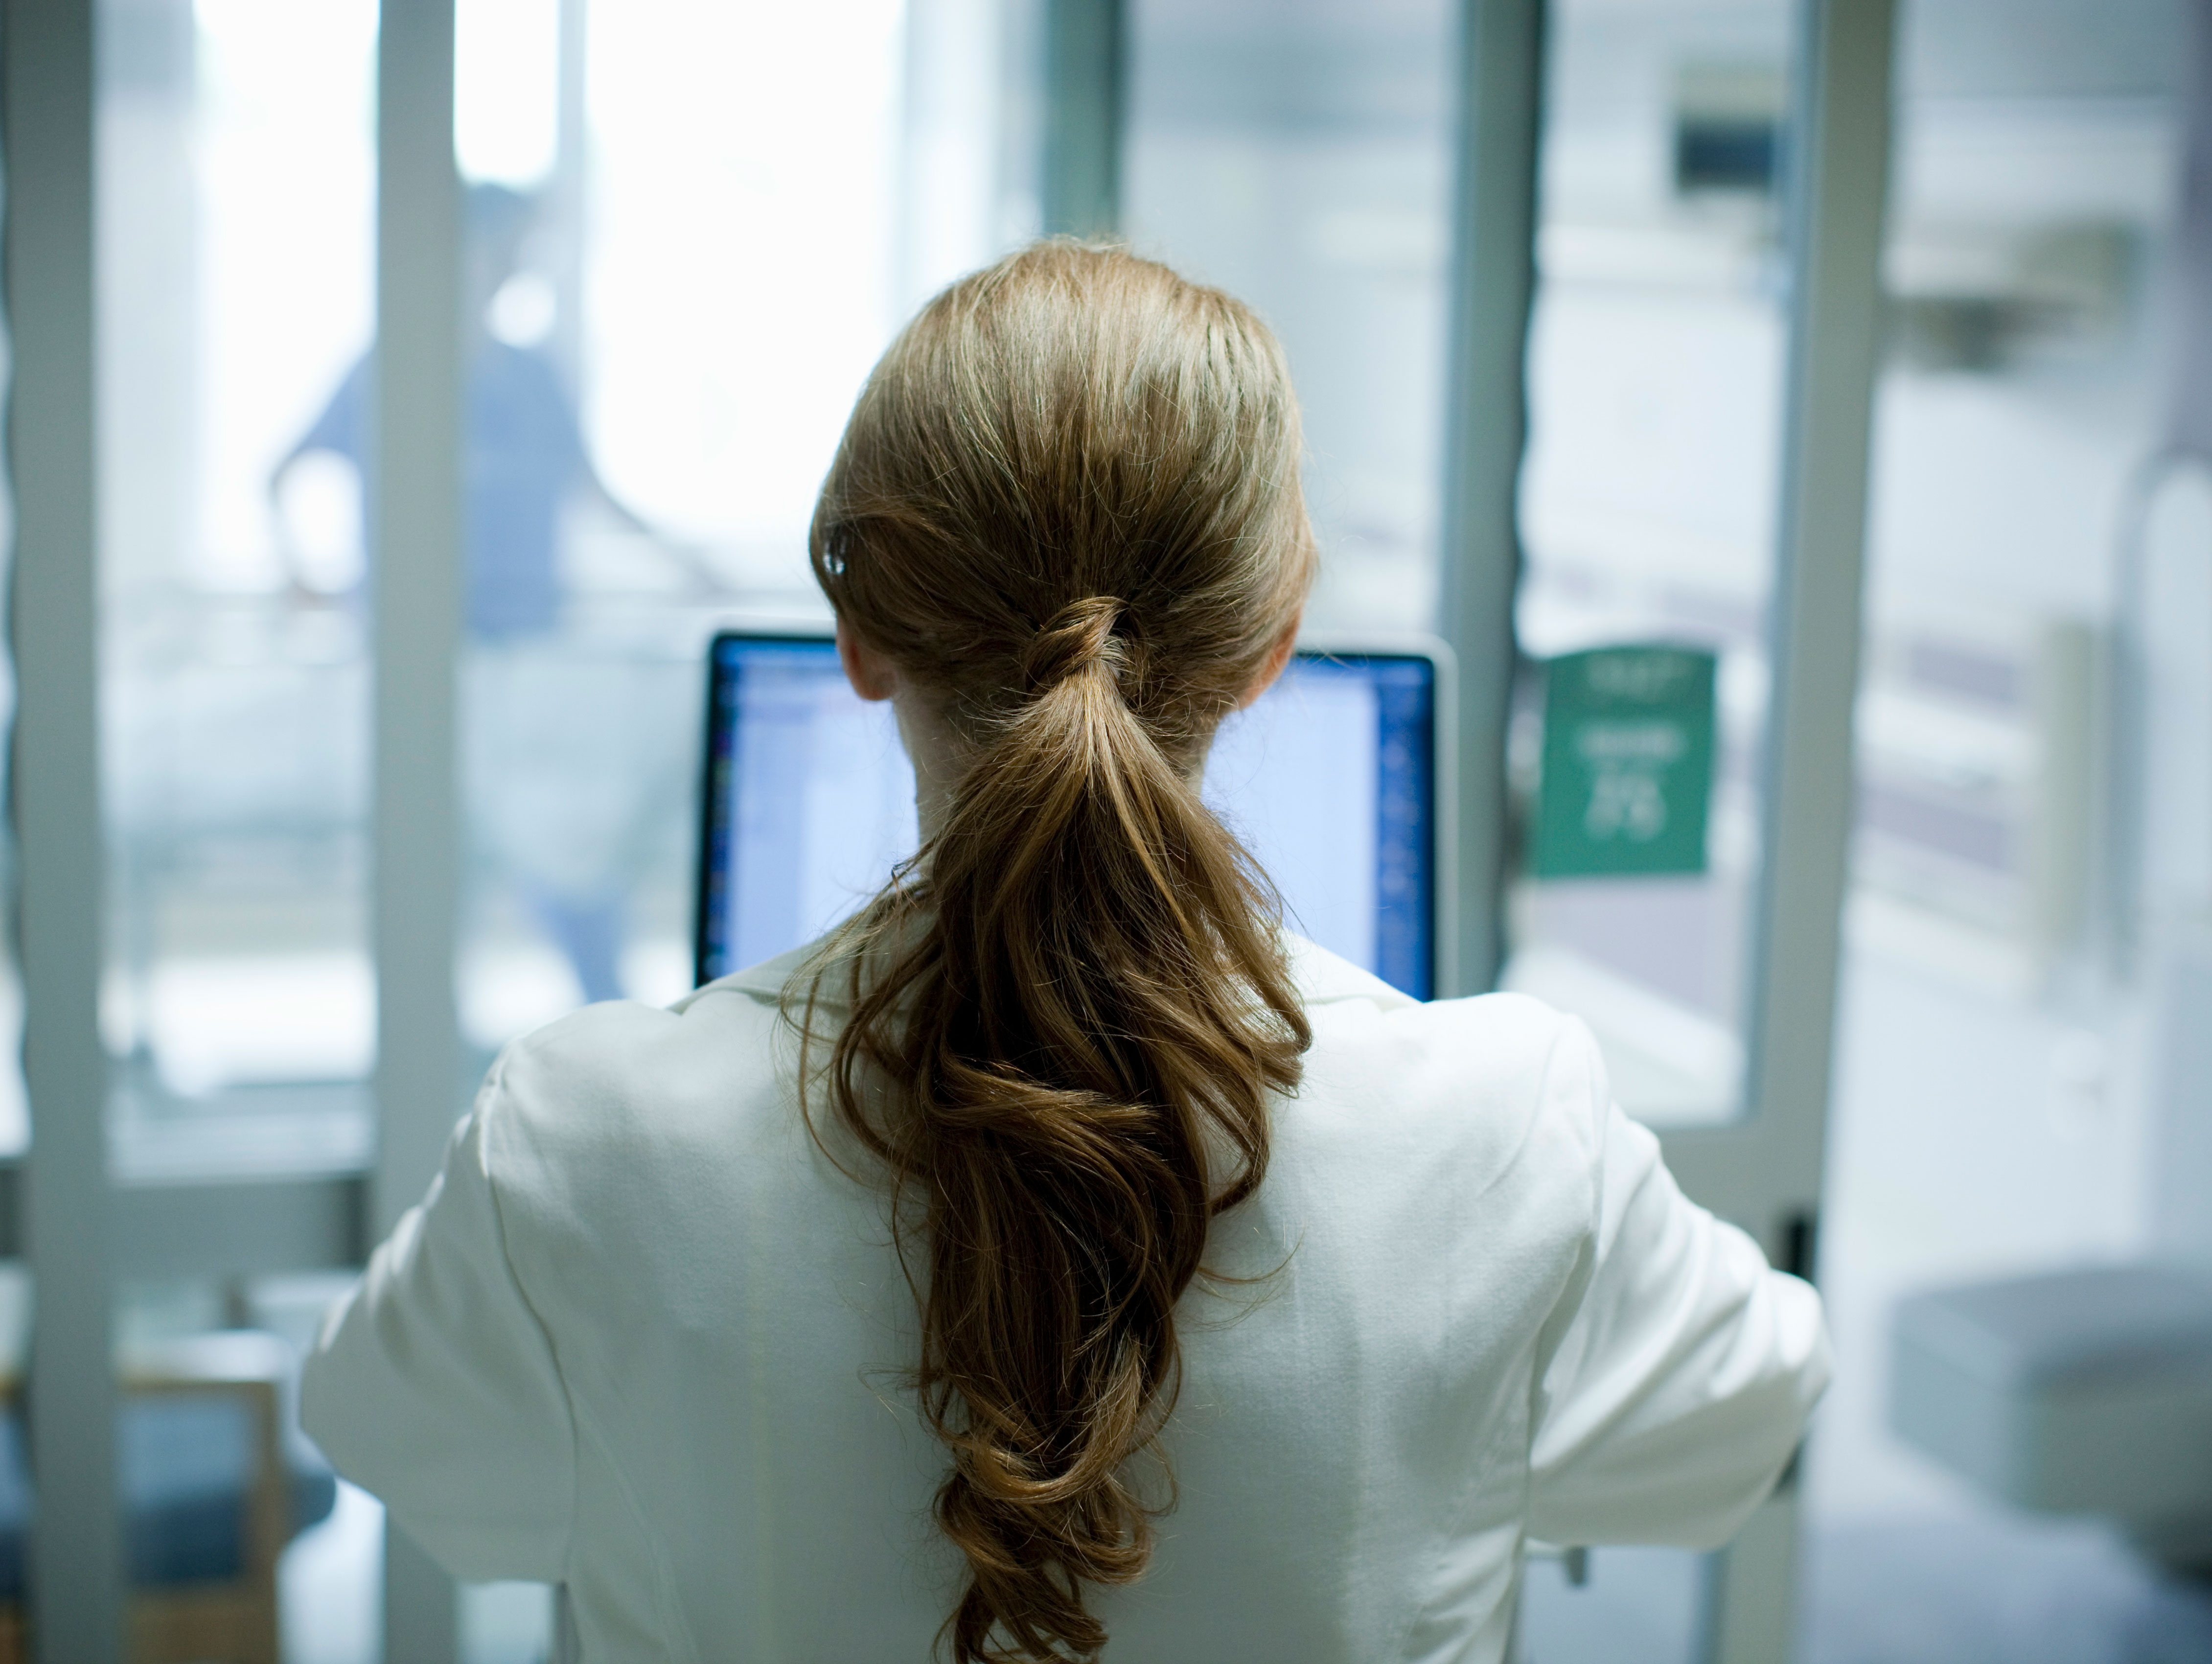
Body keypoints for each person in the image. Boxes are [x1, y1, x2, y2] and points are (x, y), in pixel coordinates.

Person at [302, 242, 1828, 1662]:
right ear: (1273, 642)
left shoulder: (587, 1134)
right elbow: (1747, 1420)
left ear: (860, 630)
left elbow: (403, 1444)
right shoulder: (1504, 1126)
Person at [273, 182, 707, 1006]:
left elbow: (590, 490)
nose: (514, 267)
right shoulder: (390, 370)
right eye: (503, 247)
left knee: (564, 845)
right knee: (462, 856)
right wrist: (301, 579)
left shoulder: (529, 378)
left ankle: (604, 1009)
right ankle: (440, 1022)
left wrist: (684, 565)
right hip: (424, 662)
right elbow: (285, 472)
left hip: (525, 657)